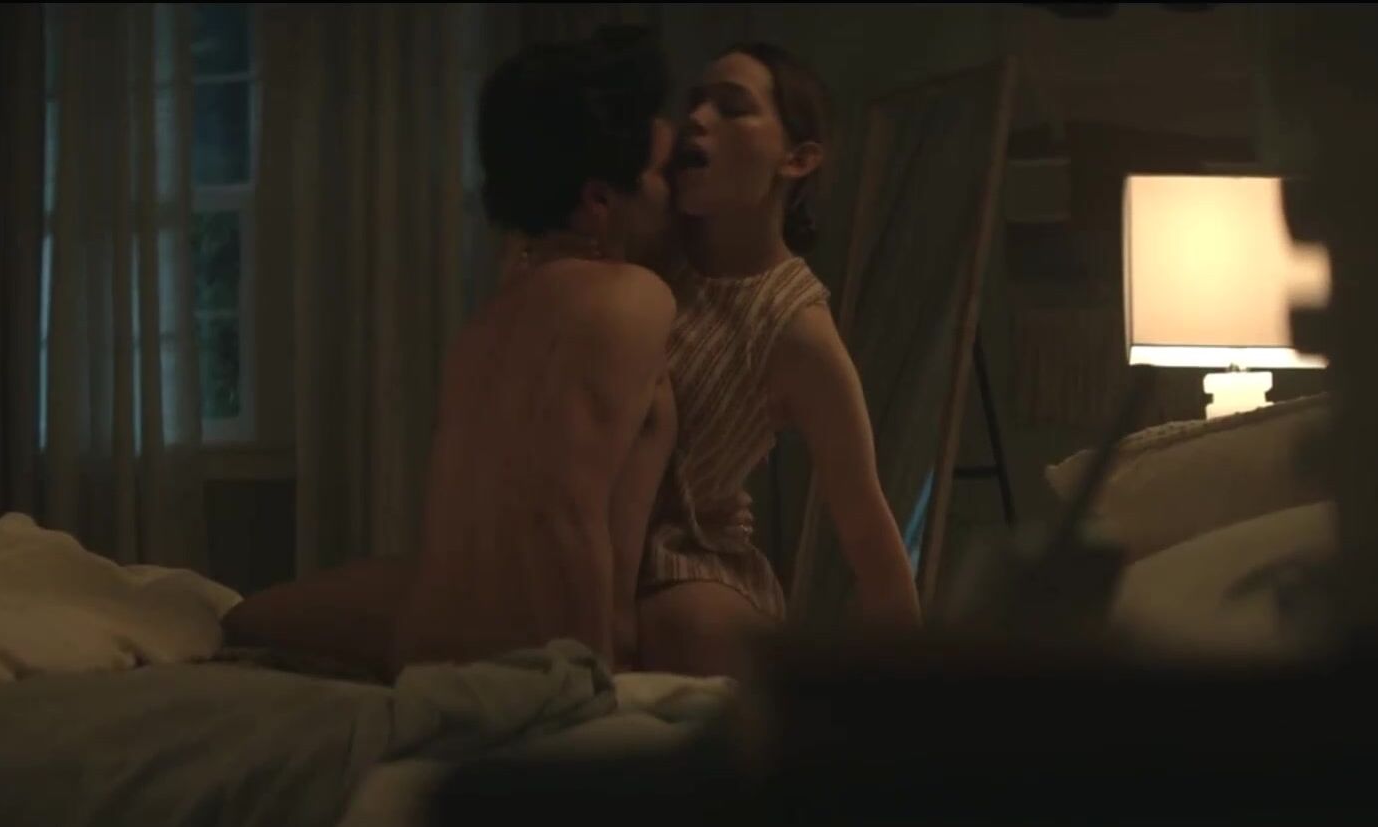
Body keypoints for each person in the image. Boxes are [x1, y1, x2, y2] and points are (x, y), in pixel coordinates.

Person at [220, 26, 679, 676]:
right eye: (662, 174)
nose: (674, 193)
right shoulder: (632, 296)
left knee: (247, 619)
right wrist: (589, 681)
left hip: (430, 642)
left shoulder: (496, 313)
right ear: (600, 200)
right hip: (522, 660)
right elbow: (562, 512)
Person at [636, 42, 921, 678]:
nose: (697, 118)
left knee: (685, 628)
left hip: (687, 571)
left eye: (732, 107)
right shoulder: (652, 244)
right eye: (695, 103)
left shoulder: (793, 326)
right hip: (583, 546)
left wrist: (914, 689)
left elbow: (866, 526)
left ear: (797, 159)